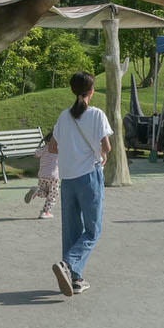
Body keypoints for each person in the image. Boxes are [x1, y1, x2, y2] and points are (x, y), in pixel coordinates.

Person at [49, 71, 112, 297]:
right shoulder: (97, 114)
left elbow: (52, 147)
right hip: (89, 175)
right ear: (91, 91)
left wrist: (71, 150)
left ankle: (75, 278)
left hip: (68, 178)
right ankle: (68, 263)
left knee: (71, 229)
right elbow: (107, 146)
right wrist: (99, 154)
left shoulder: (64, 116)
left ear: (73, 90)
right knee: (93, 230)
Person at [24, 130, 60, 218]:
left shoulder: (44, 149)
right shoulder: (58, 149)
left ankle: (37, 192)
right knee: (52, 195)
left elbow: (35, 155)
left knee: (45, 192)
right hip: (54, 177)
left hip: (42, 175)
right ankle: (45, 212)